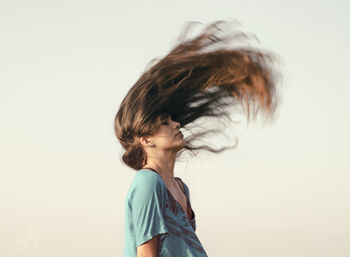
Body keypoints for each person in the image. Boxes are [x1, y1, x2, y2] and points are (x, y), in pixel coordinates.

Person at [114, 20, 281, 257]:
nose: (176, 124)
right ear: (145, 140)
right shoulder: (147, 183)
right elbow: (147, 254)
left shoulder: (181, 189)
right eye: (165, 122)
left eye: (172, 119)